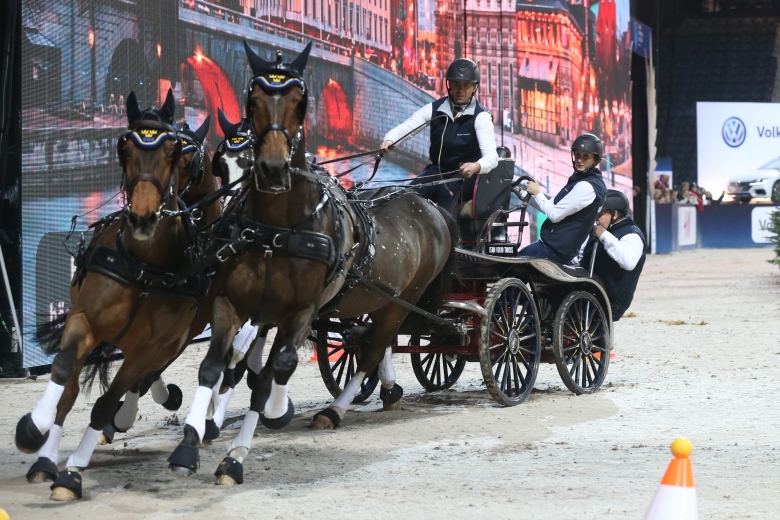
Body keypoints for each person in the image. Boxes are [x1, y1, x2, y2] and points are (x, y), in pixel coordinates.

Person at [380, 58, 498, 215]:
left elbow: (492, 157)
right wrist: (390, 140)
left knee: (446, 195)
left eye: (466, 85)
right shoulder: (434, 108)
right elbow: (407, 127)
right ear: (449, 85)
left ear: (474, 87)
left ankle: (449, 237)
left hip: (465, 176)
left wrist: (475, 166)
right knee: (405, 197)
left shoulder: (481, 117)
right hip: (437, 171)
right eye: (456, 84)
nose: (460, 90)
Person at [517, 133, 607, 263]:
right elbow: (550, 205)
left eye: (586, 156)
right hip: (554, 246)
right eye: (577, 154)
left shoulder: (587, 186)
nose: (580, 160)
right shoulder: (581, 180)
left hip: (555, 249)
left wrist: (537, 193)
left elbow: (554, 214)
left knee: (514, 263)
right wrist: (522, 194)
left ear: (596, 160)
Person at [580, 189, 646, 321]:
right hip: (587, 289)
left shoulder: (632, 234)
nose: (596, 219)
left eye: (600, 214)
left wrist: (604, 236)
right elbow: (579, 256)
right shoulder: (599, 231)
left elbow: (628, 262)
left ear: (614, 214)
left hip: (610, 300)